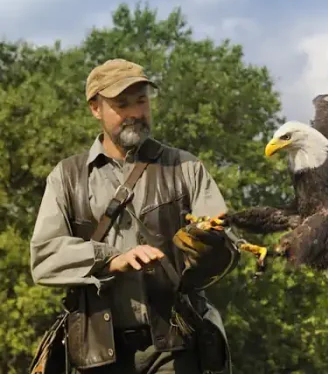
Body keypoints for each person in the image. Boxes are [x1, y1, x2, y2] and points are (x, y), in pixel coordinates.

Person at [29, 58, 238, 373]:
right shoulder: (67, 177)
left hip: (176, 343)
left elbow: (226, 249)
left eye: (141, 101)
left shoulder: (186, 168)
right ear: (95, 108)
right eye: (121, 104)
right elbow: (44, 257)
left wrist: (210, 245)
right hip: (96, 350)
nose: (135, 113)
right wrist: (110, 259)